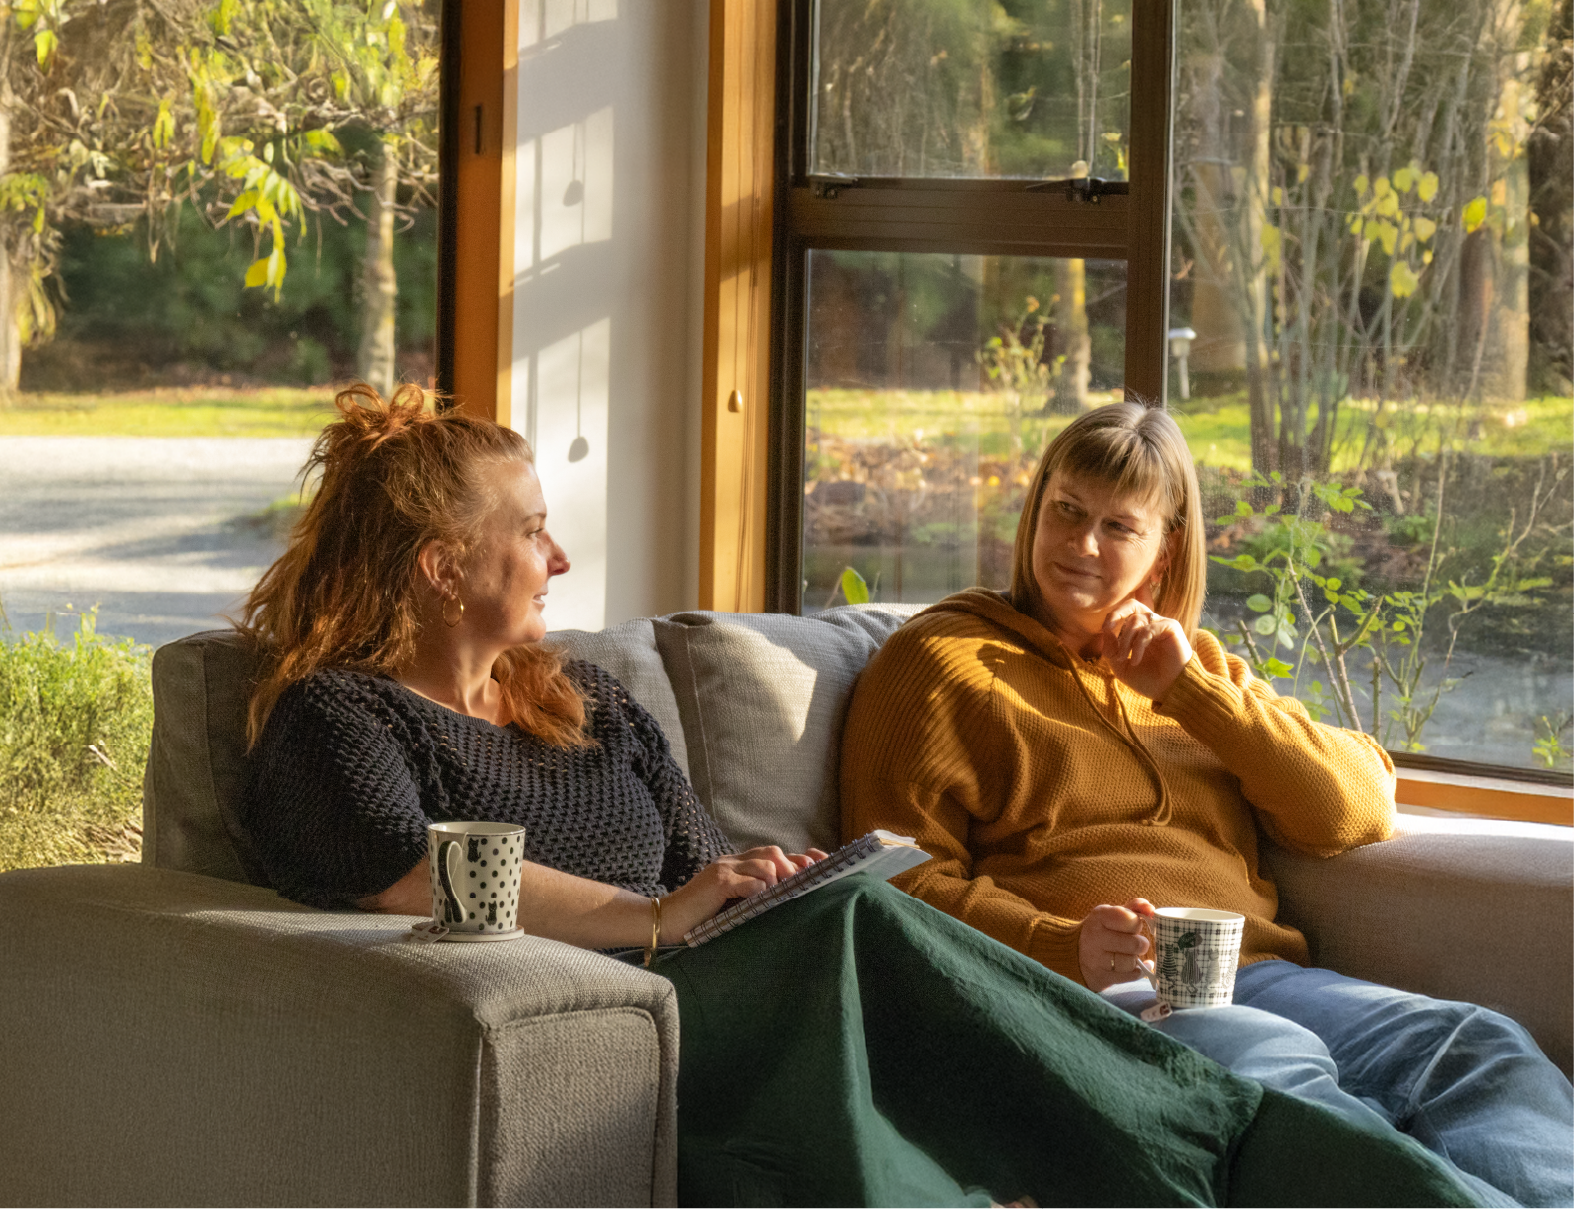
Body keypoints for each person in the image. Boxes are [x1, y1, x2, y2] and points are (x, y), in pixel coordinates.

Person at [237, 385, 1492, 1209]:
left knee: (842, 903)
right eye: (533, 532)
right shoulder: (336, 713)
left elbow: (704, 853)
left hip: (730, 955)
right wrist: (666, 915)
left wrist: (752, 879)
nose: (558, 557)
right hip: (640, 995)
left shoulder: (584, 699)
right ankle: (1230, 1150)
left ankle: (1256, 1160)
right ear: (445, 564)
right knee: (877, 931)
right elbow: (410, 872)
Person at [840, 401, 1574, 1209]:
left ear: (1163, 552)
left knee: (1478, 1044)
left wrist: (1190, 691)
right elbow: (885, 881)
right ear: (1035, 509)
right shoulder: (940, 660)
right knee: (1284, 1075)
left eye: (1119, 527)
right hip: (1087, 1001)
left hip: (1263, 979)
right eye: (1066, 512)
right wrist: (1060, 945)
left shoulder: (1191, 670)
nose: (1082, 545)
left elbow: (1355, 808)